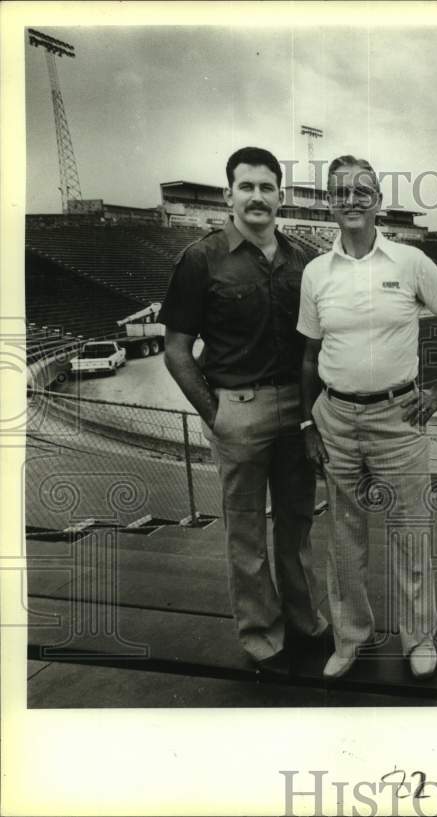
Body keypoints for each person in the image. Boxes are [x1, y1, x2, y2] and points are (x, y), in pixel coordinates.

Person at [298, 155, 437, 680]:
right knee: (343, 537)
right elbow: (308, 356)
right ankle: (350, 639)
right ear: (329, 203)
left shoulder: (410, 262)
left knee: (410, 531)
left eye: (362, 191)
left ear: (377, 200)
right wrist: (309, 424)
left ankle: (418, 638)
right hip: (334, 416)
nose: (351, 201)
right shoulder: (315, 273)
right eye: (341, 192)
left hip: (398, 417)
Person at [161, 146, 327, 673]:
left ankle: (305, 623)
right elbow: (176, 349)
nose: (257, 196)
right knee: (247, 532)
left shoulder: (303, 258)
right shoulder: (200, 258)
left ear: (280, 195)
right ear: (228, 193)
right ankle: (262, 639)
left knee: (297, 524)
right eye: (246, 186)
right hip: (239, 407)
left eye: (267, 187)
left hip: (298, 410)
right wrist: (216, 413)